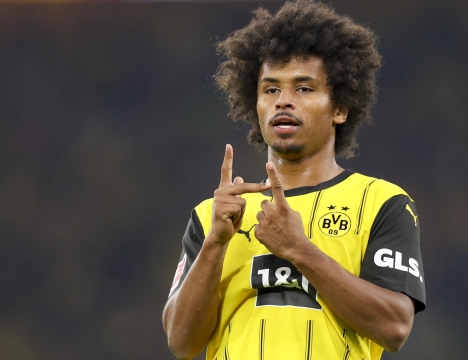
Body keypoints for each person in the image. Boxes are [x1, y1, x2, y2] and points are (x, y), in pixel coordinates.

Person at [162, 1, 426, 359]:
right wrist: (214, 245)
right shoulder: (213, 215)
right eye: (270, 90)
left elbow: (395, 327)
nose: (283, 101)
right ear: (253, 104)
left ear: (340, 108)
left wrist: (299, 250)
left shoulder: (382, 203)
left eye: (303, 89)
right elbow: (182, 343)